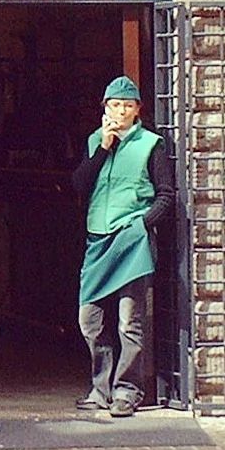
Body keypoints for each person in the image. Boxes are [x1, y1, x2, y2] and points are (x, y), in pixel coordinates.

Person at [71, 75, 174, 418]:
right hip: (97, 240)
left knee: (129, 322)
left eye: (127, 106)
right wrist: (103, 146)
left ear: (137, 110)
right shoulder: (94, 142)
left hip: (131, 241)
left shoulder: (151, 144)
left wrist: (142, 226)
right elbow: (79, 183)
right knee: (90, 320)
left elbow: (166, 195)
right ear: (105, 109)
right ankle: (100, 388)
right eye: (114, 105)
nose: (121, 111)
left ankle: (127, 391)